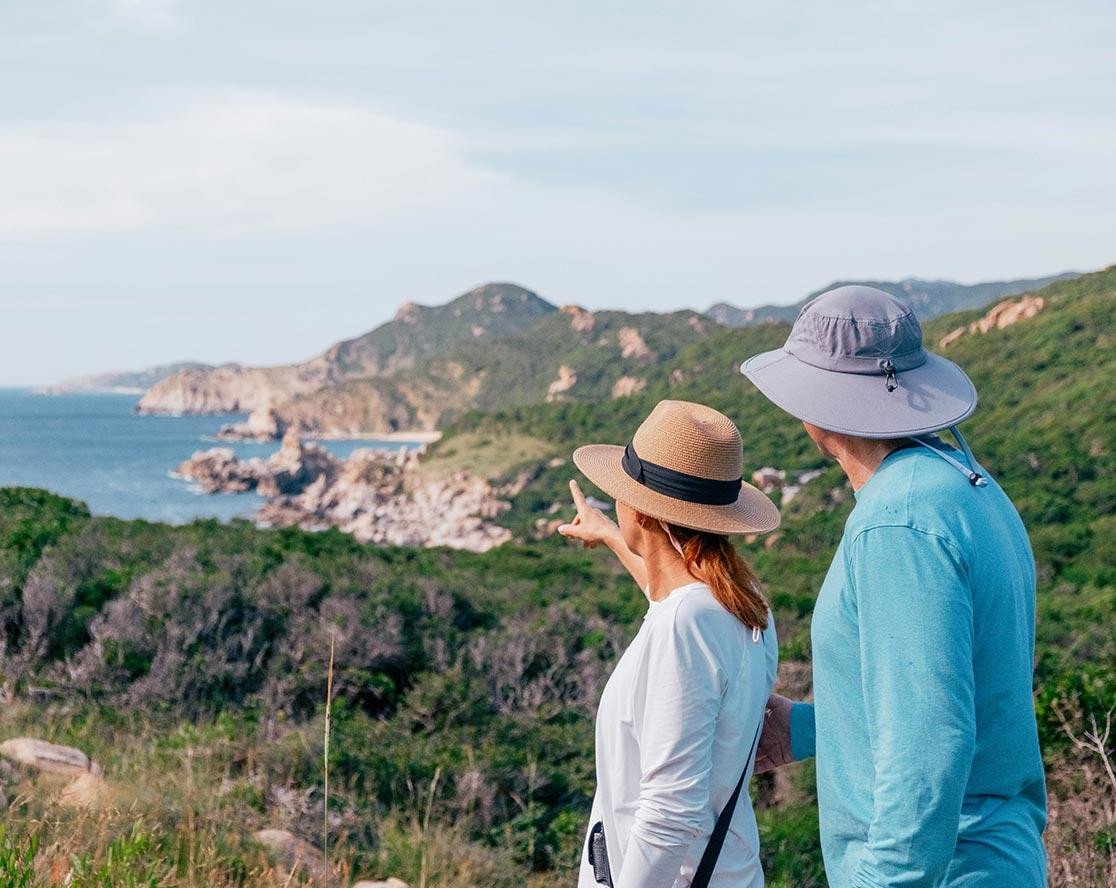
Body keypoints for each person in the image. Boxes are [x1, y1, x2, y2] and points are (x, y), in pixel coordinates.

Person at [741, 285, 1048, 887]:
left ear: (817, 410)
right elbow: (950, 697)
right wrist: (803, 728)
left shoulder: (897, 522)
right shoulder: (960, 484)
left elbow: (930, 744)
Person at [558, 399, 781, 888]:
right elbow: (671, 594)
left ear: (637, 509)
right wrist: (614, 538)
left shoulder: (688, 625)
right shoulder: (745, 606)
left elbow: (669, 815)